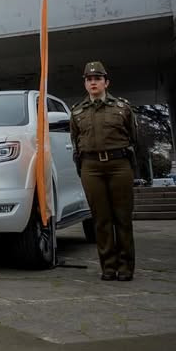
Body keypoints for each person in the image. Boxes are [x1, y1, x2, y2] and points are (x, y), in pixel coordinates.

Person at [70, 61, 137, 281]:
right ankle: (108, 267)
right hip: (91, 167)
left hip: (119, 165)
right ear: (85, 85)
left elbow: (133, 138)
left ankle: (126, 267)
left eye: (97, 78)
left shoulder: (122, 107)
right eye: (89, 79)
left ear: (106, 82)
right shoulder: (77, 112)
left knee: (123, 218)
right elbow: (75, 143)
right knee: (101, 219)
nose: (93, 82)